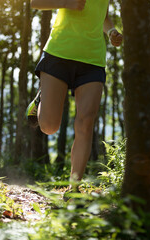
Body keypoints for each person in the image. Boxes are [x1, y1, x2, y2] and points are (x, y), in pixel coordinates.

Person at [26, 0, 123, 184]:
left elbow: (104, 16)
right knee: (48, 127)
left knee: (86, 122)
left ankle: (74, 187)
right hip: (59, 53)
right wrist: (67, 2)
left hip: (93, 60)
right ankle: (42, 98)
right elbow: (35, 3)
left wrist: (111, 32)